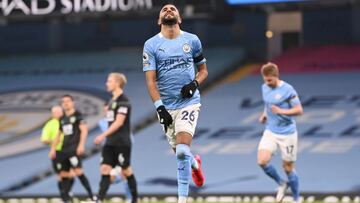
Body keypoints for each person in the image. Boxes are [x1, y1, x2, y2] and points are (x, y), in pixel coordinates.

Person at [143, 3, 208, 203]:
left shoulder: (192, 40)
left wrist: (194, 84)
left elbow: (203, 70)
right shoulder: (151, 45)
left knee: (181, 151)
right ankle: (195, 165)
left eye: (173, 9)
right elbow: (150, 81)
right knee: (181, 154)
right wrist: (159, 108)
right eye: (164, 9)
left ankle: (182, 200)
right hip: (166, 107)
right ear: (159, 20)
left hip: (189, 103)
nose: (169, 10)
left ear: (179, 18)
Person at [257, 62, 304, 203]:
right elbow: (268, 104)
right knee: (262, 161)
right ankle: (282, 183)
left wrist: (281, 111)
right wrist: (265, 114)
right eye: (265, 80)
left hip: (287, 133)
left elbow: (299, 110)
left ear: (276, 76)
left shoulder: (288, 90)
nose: (267, 83)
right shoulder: (264, 87)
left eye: (270, 80)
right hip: (271, 130)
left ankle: (296, 199)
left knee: (288, 168)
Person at [94, 73, 138, 203]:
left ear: (117, 83)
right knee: (104, 168)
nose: (107, 83)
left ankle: (134, 199)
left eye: (109, 81)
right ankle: (99, 199)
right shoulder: (111, 101)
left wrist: (102, 135)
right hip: (110, 142)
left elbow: (119, 122)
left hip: (121, 142)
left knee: (126, 170)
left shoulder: (124, 101)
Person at [49, 95, 94, 202]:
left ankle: (92, 196)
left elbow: (84, 130)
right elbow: (58, 135)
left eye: (68, 101)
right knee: (64, 174)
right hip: (64, 149)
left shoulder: (78, 116)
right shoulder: (62, 118)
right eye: (63, 101)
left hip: (74, 148)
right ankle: (66, 199)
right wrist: (53, 149)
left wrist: (81, 145)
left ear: (72, 102)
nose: (65, 103)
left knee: (78, 172)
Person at [41, 105, 66, 197]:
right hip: (57, 152)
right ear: (52, 114)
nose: (58, 114)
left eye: (59, 112)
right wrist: (53, 141)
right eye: (55, 112)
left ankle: (68, 193)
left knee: (71, 173)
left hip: (69, 150)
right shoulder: (49, 124)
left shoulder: (67, 121)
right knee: (60, 174)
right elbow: (44, 139)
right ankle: (64, 196)